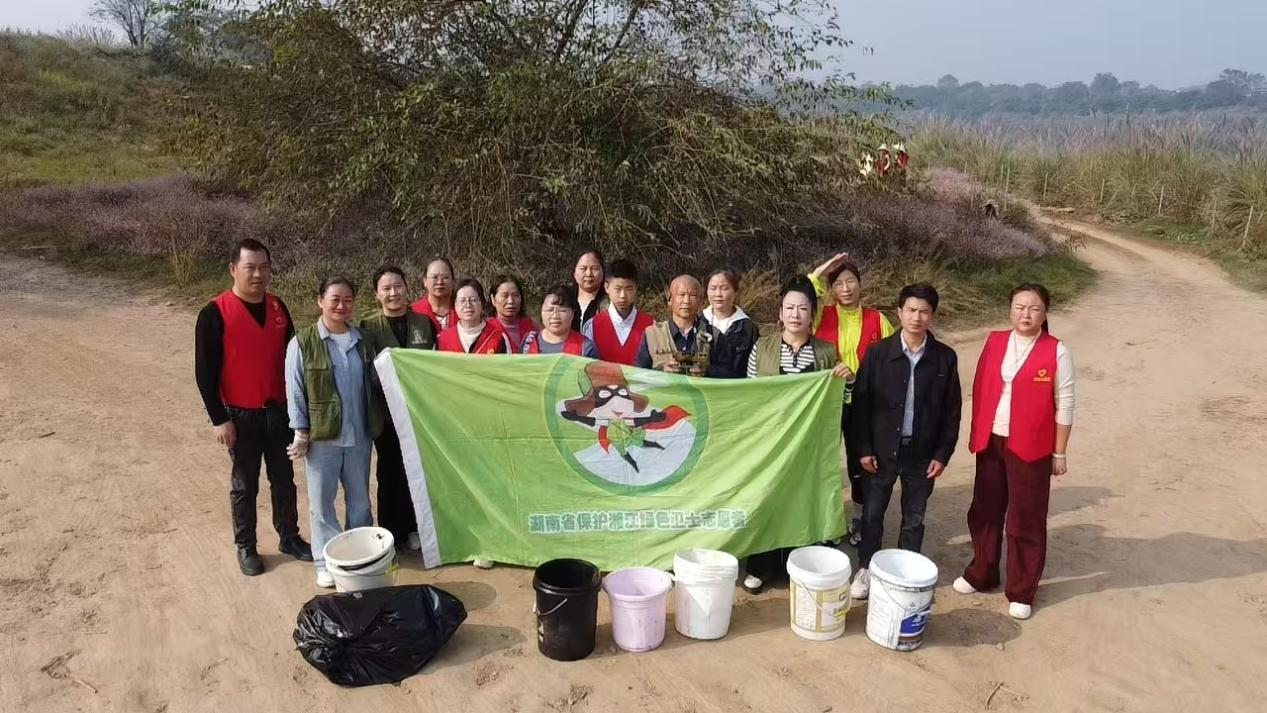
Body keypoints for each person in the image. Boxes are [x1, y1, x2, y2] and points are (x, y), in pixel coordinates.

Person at [953, 284, 1075, 621]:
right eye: (1020, 307)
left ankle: (1022, 589)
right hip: (992, 440)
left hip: (1031, 446)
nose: (1026, 314)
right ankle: (982, 571)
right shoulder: (995, 342)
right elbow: (980, 387)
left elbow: (1065, 403)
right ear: (1010, 310)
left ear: (1044, 313)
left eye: (1034, 308)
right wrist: (978, 432)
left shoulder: (1056, 351)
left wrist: (1059, 452)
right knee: (985, 509)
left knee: (1026, 517)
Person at [194, 238, 312, 576]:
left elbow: (293, 361)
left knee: (284, 479)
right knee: (245, 484)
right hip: (240, 415)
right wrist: (219, 419)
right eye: (250, 267)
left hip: (279, 412)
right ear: (234, 269)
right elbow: (204, 373)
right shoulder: (214, 313)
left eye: (264, 267)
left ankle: (289, 536)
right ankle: (246, 546)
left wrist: (299, 411)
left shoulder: (277, 307)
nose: (258, 274)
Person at [848, 283, 962, 602]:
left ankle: (903, 573)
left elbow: (952, 411)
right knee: (872, 514)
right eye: (911, 310)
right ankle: (867, 568)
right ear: (899, 313)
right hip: (881, 450)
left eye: (924, 311)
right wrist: (864, 448)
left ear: (932, 315)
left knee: (914, 517)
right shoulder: (878, 353)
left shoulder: (944, 358)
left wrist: (942, 453)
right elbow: (861, 405)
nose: (916, 317)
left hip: (922, 452)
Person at [742, 276, 853, 594]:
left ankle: (798, 564)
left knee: (800, 501)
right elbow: (749, 395)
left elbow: (839, 401)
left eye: (803, 308)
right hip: (769, 440)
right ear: (780, 313)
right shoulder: (762, 347)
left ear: (812, 314)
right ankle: (761, 567)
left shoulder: (825, 353)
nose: (795, 314)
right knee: (767, 498)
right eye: (789, 307)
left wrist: (847, 380)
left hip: (807, 444)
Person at [285, 277, 383, 588]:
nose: (342, 306)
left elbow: (378, 381)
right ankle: (325, 562)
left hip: (359, 437)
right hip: (322, 439)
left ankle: (360, 559)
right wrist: (301, 431)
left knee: (360, 502)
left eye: (348, 300)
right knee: (322, 504)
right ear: (320, 301)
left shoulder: (363, 340)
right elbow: (295, 390)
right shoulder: (303, 342)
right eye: (335, 299)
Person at [808, 252, 895, 545]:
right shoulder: (820, 315)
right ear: (831, 289)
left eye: (850, 282)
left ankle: (859, 518)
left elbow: (891, 361)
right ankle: (828, 522)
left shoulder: (877, 319)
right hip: (828, 402)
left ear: (860, 284)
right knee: (825, 463)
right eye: (839, 283)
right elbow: (801, 296)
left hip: (864, 404)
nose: (845, 289)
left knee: (861, 464)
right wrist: (818, 272)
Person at [358, 266, 437, 553]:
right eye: (386, 288)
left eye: (398, 286)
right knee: (389, 472)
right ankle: (390, 531)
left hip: (417, 413)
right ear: (377, 294)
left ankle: (415, 527)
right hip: (386, 415)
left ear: (407, 287)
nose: (393, 293)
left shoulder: (423, 323)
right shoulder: (369, 326)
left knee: (416, 471)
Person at [635, 275, 713, 373]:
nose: (686, 301)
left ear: (700, 300)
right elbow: (638, 374)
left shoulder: (711, 333)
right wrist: (661, 370)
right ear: (670, 299)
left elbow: (726, 373)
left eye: (692, 295)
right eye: (681, 295)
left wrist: (706, 371)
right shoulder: (652, 334)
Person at [585, 258, 653, 365]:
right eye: (618, 289)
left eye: (628, 289)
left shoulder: (650, 325)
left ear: (636, 288)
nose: (623, 296)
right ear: (607, 287)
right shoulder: (593, 325)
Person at [701, 268, 760, 379]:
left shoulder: (748, 328)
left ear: (735, 291)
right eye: (713, 288)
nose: (718, 294)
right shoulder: (699, 323)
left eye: (724, 288)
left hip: (737, 388)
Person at [436, 278, 512, 354]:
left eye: (473, 300)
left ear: (482, 303)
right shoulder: (443, 339)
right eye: (462, 301)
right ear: (455, 305)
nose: (468, 305)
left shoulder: (498, 338)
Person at [522, 284, 601, 357]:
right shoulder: (528, 343)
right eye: (550, 310)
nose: (555, 316)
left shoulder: (585, 347)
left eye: (562, 311)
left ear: (572, 313)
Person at [490, 275, 539, 352]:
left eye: (515, 295)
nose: (511, 301)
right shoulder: (487, 328)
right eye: (505, 296)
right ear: (493, 299)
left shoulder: (533, 325)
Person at [410, 257, 456, 332]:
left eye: (445, 277)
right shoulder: (413, 313)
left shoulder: (463, 311)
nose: (440, 282)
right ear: (425, 281)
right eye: (434, 277)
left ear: (453, 281)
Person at [570, 249, 606, 332]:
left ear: (603, 271)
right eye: (583, 268)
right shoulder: (565, 300)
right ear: (574, 272)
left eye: (594, 268)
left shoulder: (611, 302)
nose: (589, 274)